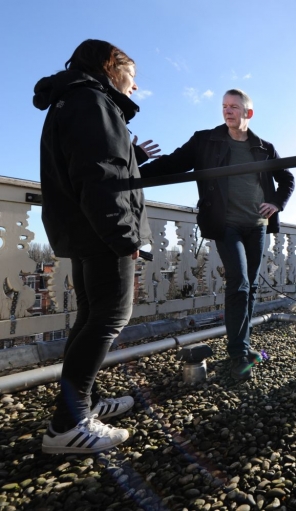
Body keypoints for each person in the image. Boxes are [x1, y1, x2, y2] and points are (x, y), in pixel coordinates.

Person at [33, 39, 152, 453]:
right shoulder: (92, 101)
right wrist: (124, 236)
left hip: (82, 228)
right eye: (131, 76)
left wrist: (131, 154)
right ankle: (68, 425)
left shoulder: (72, 100)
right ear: (109, 66)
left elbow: (95, 165)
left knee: (90, 317)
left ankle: (84, 402)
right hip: (100, 231)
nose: (134, 86)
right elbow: (98, 179)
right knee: (108, 317)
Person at [140, 89, 295, 381]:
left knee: (250, 288)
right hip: (225, 225)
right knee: (238, 282)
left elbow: (287, 178)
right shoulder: (205, 140)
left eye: (234, 107)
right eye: (224, 106)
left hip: (257, 226)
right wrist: (134, 172)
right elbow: (173, 163)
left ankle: (244, 346)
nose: (228, 111)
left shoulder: (264, 147)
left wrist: (276, 203)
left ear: (248, 113)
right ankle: (237, 355)